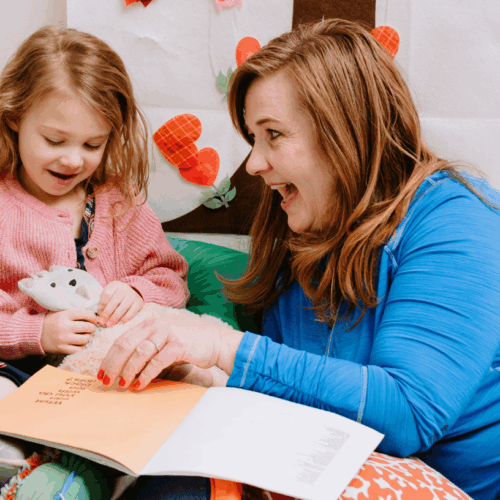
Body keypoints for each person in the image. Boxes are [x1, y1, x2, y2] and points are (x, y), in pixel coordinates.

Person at [100, 19, 500, 500]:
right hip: (323, 465)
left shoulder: (458, 220)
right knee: (167, 487)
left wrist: (223, 346)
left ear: (345, 131)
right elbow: (304, 391)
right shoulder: (303, 224)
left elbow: (406, 415)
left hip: (436, 483)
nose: (254, 164)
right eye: (253, 137)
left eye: (273, 134)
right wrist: (194, 371)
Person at [0, 26, 189, 461]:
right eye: (54, 140)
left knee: (170, 382)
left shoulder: (120, 202)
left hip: (106, 377)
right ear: (14, 117)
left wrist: (138, 292)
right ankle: (27, 459)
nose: (72, 159)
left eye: (92, 144)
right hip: (15, 370)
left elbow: (172, 278)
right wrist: (36, 332)